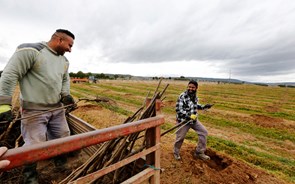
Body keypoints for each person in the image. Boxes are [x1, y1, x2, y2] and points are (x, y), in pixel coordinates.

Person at [0, 29, 76, 183]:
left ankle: (59, 163)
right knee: (34, 144)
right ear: (59, 40)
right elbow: (9, 75)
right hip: (33, 110)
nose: (70, 49)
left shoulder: (64, 61)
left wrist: (65, 95)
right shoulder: (30, 51)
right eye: (69, 45)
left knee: (63, 136)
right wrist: (3, 106)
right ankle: (30, 176)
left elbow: (64, 80)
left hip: (57, 108)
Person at [174, 80, 213, 161]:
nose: (190, 89)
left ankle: (199, 152)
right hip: (183, 121)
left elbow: (195, 106)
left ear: (196, 88)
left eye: (193, 87)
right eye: (189, 87)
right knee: (180, 138)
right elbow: (178, 110)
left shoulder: (194, 96)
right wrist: (188, 116)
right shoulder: (182, 96)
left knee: (204, 132)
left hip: (194, 121)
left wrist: (204, 106)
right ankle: (176, 152)